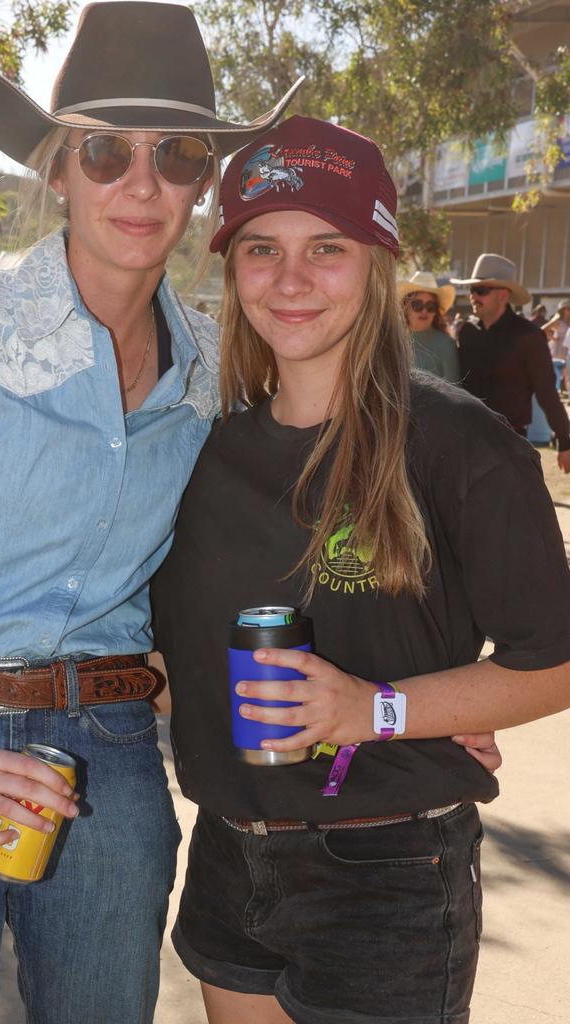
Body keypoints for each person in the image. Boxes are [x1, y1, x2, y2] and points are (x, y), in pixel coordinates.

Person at [0, 5, 302, 1022]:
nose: (141, 183)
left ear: (203, 180)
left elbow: (295, 529)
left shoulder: (217, 367)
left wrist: (413, 702)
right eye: (107, 151)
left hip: (112, 763)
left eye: (176, 154)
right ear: (58, 169)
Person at [151, 115, 570, 1024]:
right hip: (226, 857)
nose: (290, 280)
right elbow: (169, 661)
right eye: (261, 247)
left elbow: (553, 661)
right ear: (232, 270)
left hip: (388, 881)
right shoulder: (203, 451)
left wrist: (382, 711)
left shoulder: (458, 444)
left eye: (326, 248)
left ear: (378, 264)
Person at [454, 254, 570, 470]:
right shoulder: (467, 332)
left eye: (481, 291)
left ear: (503, 295)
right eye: (472, 290)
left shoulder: (528, 336)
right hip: (469, 441)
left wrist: (564, 441)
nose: (473, 297)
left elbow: (546, 391)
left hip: (510, 443)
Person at [398, 270, 460, 381]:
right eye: (417, 305)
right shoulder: (393, 341)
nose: (424, 311)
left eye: (431, 306)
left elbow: (455, 392)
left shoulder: (446, 344)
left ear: (436, 311)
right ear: (405, 306)